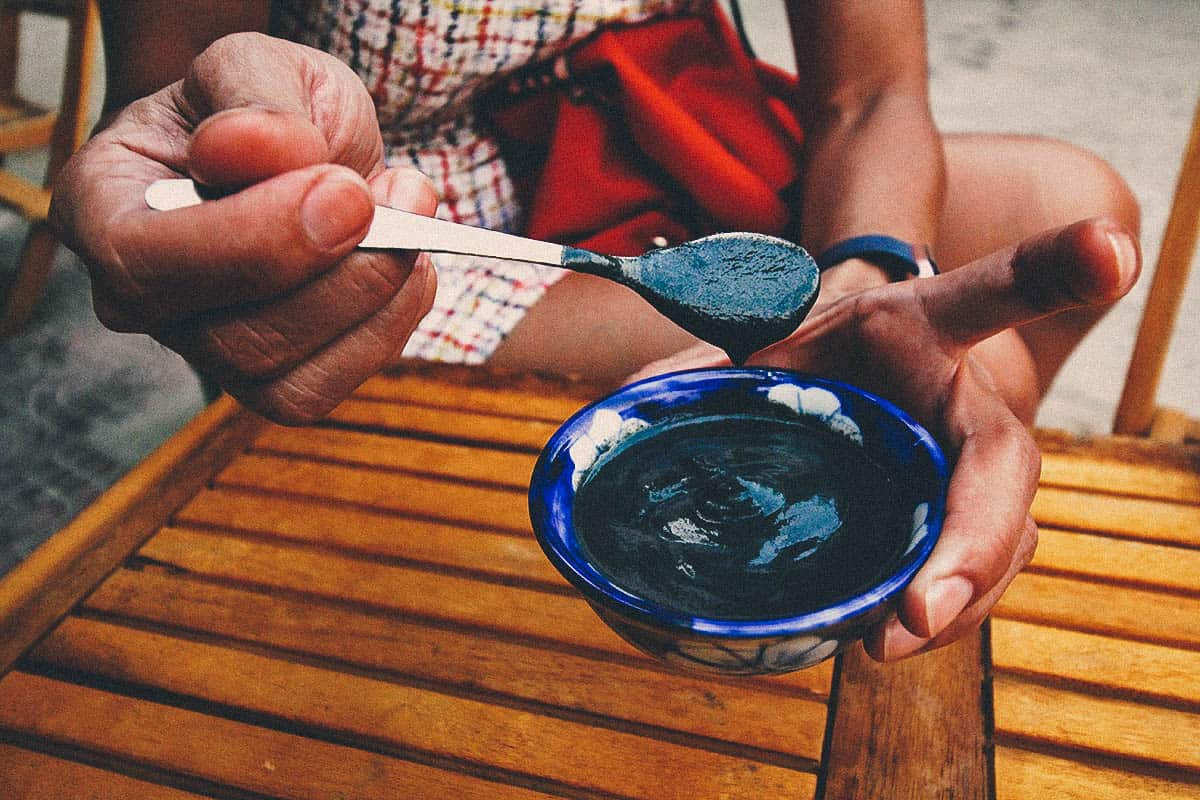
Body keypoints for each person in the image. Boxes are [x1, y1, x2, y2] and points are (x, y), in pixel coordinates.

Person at [49, 0, 1140, 663]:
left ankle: (807, 601)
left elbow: (874, 91)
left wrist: (869, 270)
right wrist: (183, 160)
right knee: (973, 365)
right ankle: (804, 622)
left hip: (676, 144)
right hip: (441, 219)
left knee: (1072, 199)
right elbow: (165, 97)